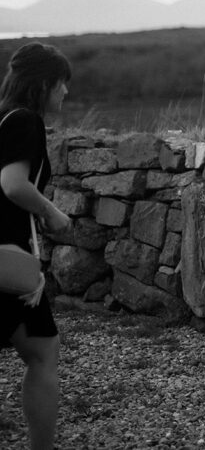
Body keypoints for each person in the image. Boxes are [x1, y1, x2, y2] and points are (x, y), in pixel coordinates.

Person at [1, 42, 73, 450]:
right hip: (8, 263)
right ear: (43, 83)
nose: (66, 92)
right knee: (44, 353)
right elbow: (13, 184)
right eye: (61, 83)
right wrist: (51, 211)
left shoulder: (2, 117)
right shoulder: (25, 121)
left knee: (41, 348)